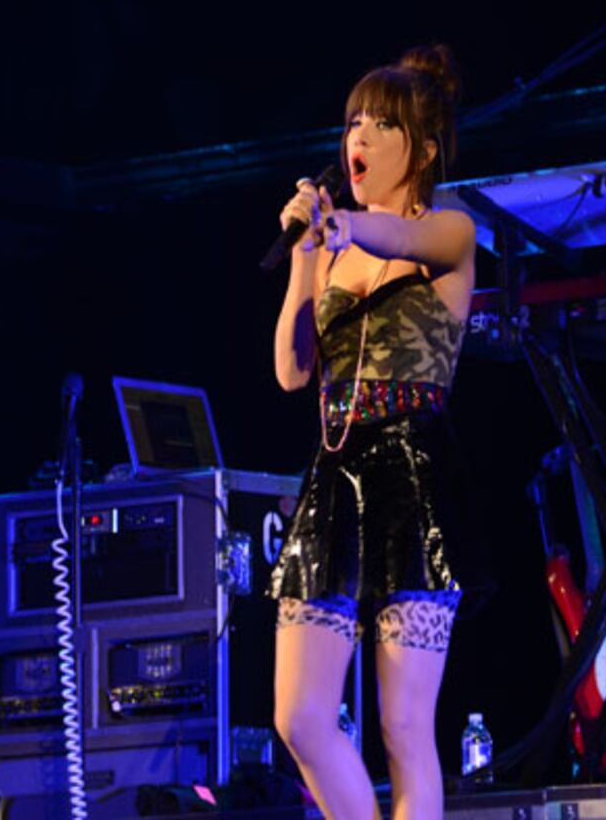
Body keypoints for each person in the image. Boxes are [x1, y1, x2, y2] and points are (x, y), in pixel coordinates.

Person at [268, 44, 481, 819]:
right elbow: (292, 371)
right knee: (299, 717)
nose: (356, 136)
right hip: (334, 478)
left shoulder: (449, 231)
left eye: (379, 123)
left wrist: (341, 224)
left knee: (402, 726)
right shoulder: (330, 247)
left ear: (421, 149)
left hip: (411, 475)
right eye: (352, 121)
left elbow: (393, 239)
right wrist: (306, 253)